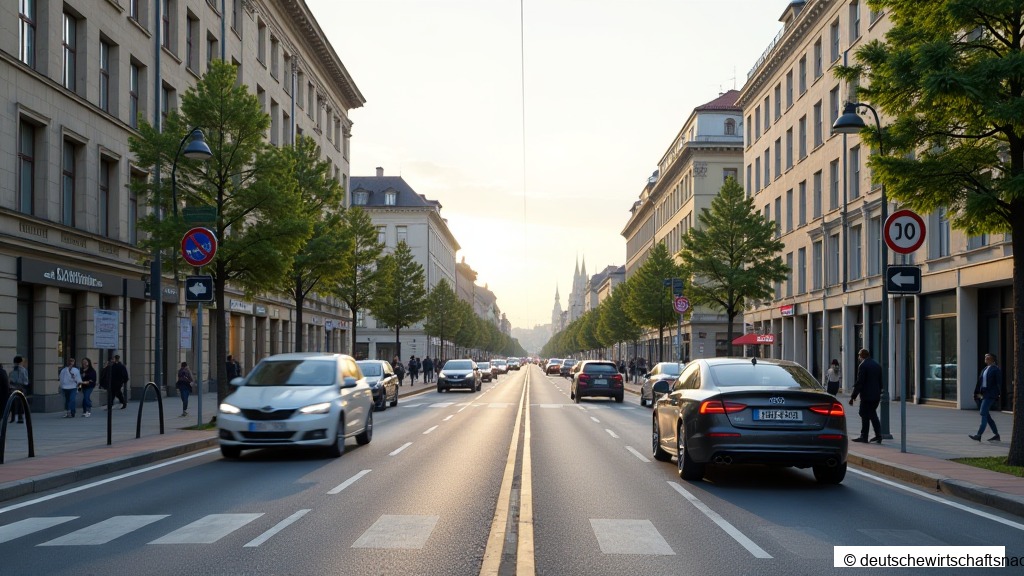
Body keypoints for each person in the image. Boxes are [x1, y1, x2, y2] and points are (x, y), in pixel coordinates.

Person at [850, 349, 882, 443]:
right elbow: (880, 382)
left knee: (864, 414)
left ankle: (864, 436)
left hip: (867, 396)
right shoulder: (877, 365)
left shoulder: (863, 365)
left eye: (859, 356)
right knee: (872, 414)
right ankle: (878, 435)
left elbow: (860, 382)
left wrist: (853, 396)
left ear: (862, 356)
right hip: (875, 395)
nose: (859, 358)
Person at [970, 353, 1002, 442]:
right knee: (987, 416)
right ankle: (996, 435)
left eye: (987, 358)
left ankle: (978, 435)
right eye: (985, 357)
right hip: (983, 393)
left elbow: (999, 383)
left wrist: (999, 394)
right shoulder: (985, 369)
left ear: (992, 359)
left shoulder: (996, 370)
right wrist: (976, 393)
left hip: (990, 394)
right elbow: (980, 382)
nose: (985, 359)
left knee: (983, 412)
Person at [9, 356, 28, 423]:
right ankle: (17, 417)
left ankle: (17, 418)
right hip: (17, 387)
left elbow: (26, 381)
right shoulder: (20, 370)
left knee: (17, 403)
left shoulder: (17, 370)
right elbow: (26, 381)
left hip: (17, 388)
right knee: (17, 403)